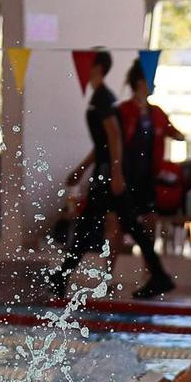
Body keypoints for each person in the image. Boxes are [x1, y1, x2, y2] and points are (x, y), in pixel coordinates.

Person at [53, 49, 126, 296]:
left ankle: (65, 274)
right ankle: (65, 274)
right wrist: (82, 169)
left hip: (107, 172)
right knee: (97, 224)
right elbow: (104, 143)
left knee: (96, 224)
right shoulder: (100, 97)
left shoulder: (103, 97)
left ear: (96, 67)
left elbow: (114, 136)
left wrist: (115, 172)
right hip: (104, 170)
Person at [113, 62, 181, 298]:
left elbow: (175, 132)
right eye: (150, 80)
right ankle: (108, 275)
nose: (153, 85)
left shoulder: (157, 113)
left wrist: (176, 135)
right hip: (127, 176)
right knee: (119, 229)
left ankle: (149, 274)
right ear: (141, 83)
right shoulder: (124, 111)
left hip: (147, 178)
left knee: (149, 225)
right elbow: (114, 142)